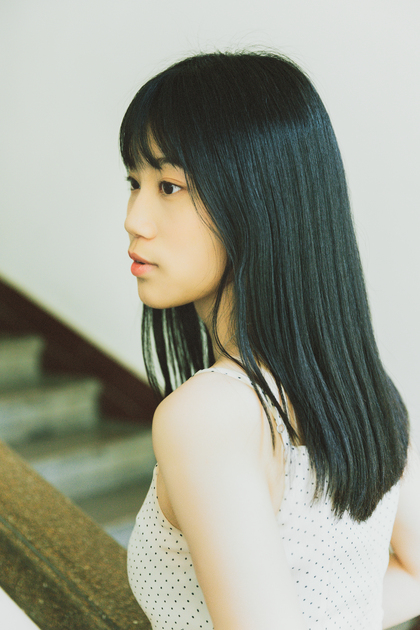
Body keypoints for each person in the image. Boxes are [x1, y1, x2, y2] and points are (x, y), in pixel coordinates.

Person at [121, 51, 420, 629]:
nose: (135, 218)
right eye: (135, 182)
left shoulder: (207, 414)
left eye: (169, 186)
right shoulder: (367, 393)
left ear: (259, 201)